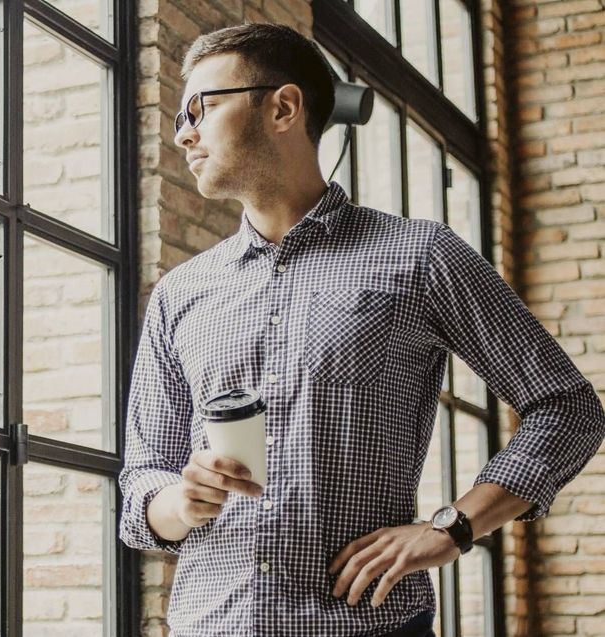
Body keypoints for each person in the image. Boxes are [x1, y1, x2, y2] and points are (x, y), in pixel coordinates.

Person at [118, 22, 605, 637]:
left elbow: (567, 407)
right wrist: (181, 502)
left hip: (366, 626)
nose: (182, 132)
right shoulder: (181, 294)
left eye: (201, 108)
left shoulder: (421, 257)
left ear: (284, 107)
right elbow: (142, 486)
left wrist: (452, 528)